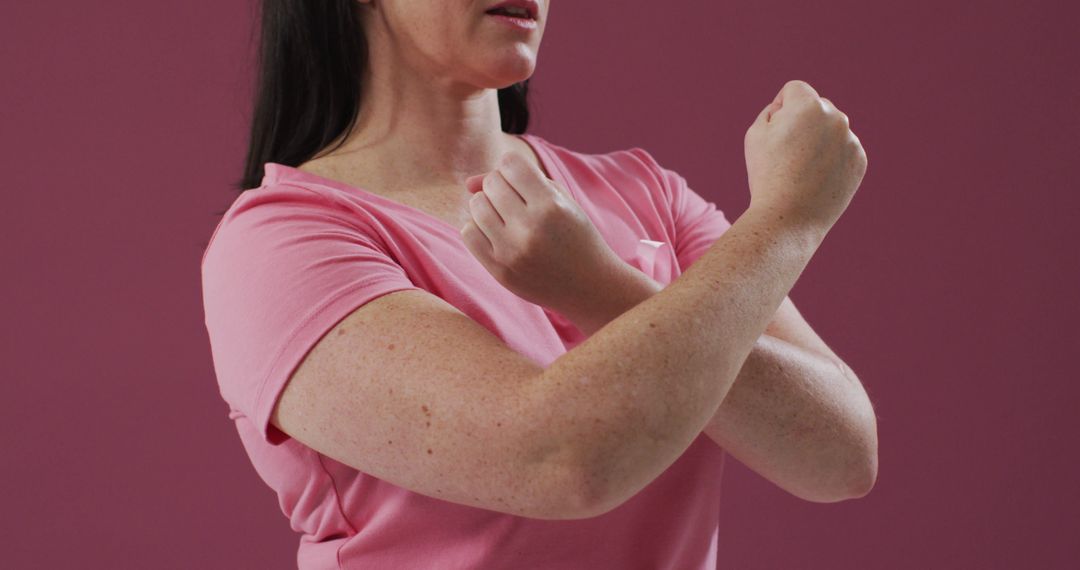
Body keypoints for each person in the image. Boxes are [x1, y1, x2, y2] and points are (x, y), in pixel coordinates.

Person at [200, 1, 874, 568]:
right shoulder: (280, 241)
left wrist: (603, 291)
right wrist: (787, 221)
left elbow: (841, 456)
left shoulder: (647, 194)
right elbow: (561, 461)